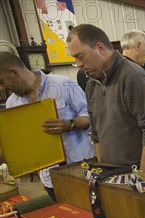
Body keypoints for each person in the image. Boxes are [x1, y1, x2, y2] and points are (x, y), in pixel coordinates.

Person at [67, 24, 145, 174]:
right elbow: (96, 130)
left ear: (100, 48)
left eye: (80, 56)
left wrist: (144, 171)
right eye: (74, 58)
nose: (78, 64)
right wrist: (102, 165)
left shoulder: (134, 77)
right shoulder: (92, 83)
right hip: (113, 171)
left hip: (143, 172)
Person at [0, 51, 94, 200]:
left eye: (2, 81)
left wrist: (70, 124)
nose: (1, 88)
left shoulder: (63, 84)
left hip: (81, 170)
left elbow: (91, 117)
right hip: (50, 179)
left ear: (14, 72)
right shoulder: (12, 103)